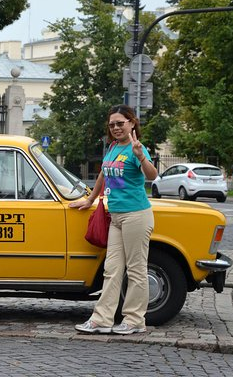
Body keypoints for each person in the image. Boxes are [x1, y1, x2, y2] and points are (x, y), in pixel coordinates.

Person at [70, 104, 158, 335]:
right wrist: (90, 200)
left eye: (120, 123)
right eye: (112, 125)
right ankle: (102, 319)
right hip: (116, 216)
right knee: (111, 269)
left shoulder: (136, 148)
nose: (116, 128)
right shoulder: (113, 147)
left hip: (136, 215)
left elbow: (152, 175)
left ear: (132, 123)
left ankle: (135, 320)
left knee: (137, 269)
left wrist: (141, 156)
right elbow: (103, 174)